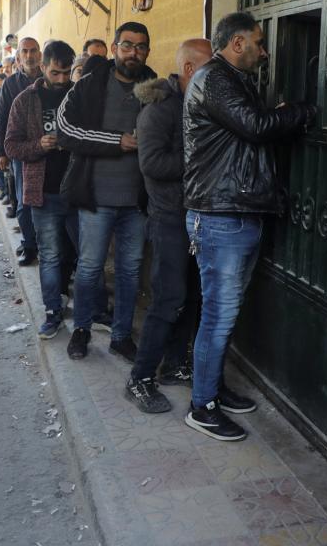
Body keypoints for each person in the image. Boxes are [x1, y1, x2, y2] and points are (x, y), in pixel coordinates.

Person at [183, 11, 316, 441]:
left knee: (224, 313)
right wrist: (298, 113)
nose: (265, 50)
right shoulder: (215, 79)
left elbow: (249, 130)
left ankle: (212, 390)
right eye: (258, 42)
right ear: (237, 43)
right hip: (222, 214)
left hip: (235, 210)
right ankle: (201, 407)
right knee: (219, 316)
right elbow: (257, 127)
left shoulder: (232, 82)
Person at [57, 22, 157, 362]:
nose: (133, 52)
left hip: (138, 202)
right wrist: (117, 141)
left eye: (140, 46)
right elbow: (65, 129)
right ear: (115, 48)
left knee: (130, 272)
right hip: (96, 197)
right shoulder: (89, 85)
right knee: (89, 268)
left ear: (147, 51)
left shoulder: (155, 88)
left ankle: (121, 335)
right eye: (127, 45)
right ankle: (81, 330)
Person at [124, 38, 212, 413]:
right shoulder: (158, 110)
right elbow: (152, 165)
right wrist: (199, 159)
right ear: (190, 69)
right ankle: (139, 378)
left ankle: (174, 366)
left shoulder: (196, 103)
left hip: (196, 218)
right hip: (169, 218)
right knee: (167, 299)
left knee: (192, 296)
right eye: (211, 69)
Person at [5, 41, 80, 339]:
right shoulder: (25, 100)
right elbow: (11, 145)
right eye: (56, 72)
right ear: (44, 67)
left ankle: (88, 313)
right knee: (49, 255)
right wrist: (39, 145)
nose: (62, 79)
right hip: (44, 192)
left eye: (67, 73)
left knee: (83, 255)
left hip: (79, 191)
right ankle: (52, 312)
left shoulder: (79, 96)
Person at [0, 37, 42, 266]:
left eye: (33, 50)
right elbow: (1, 118)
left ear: (40, 54)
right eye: (25, 51)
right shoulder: (10, 84)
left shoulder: (49, 80)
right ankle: (30, 245)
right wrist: (0, 152)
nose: (30, 55)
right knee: (24, 202)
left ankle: (50, 247)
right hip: (20, 153)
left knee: (49, 200)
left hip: (48, 151)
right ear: (18, 57)